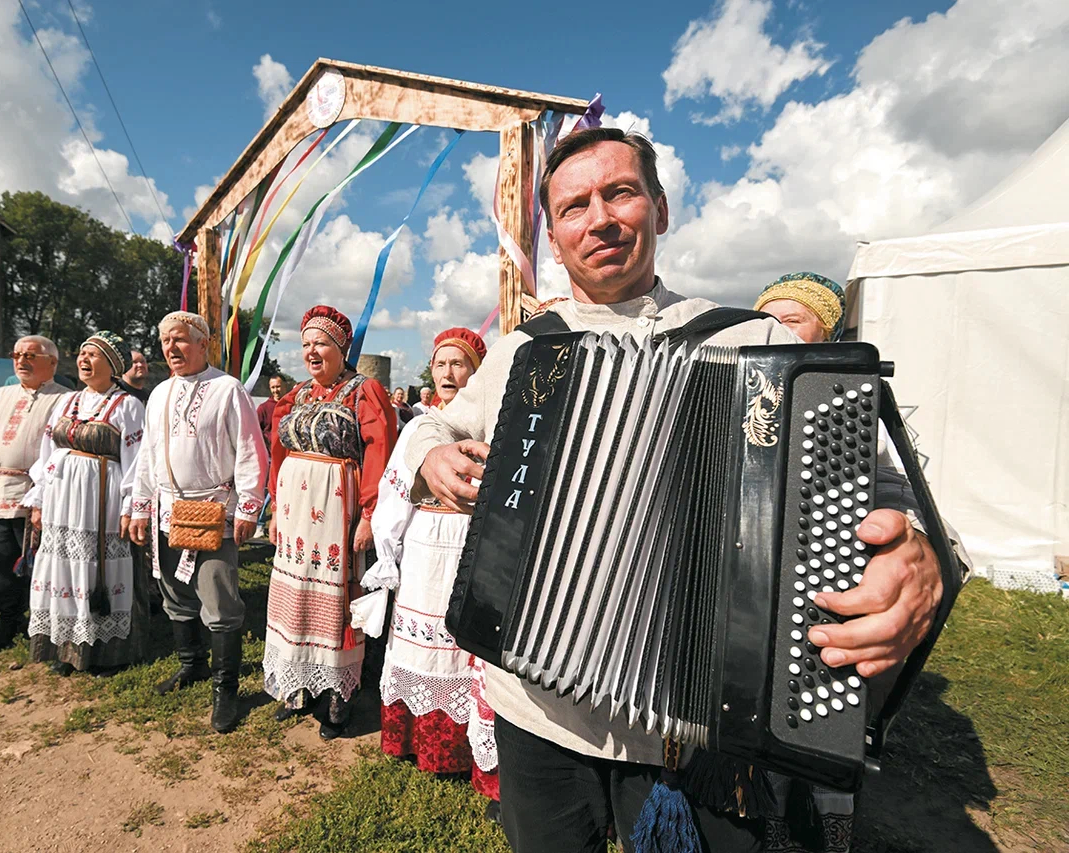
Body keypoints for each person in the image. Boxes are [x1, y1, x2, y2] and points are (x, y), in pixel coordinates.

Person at [404, 127, 967, 852]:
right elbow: (433, 428)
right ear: (553, 234)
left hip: (694, 732)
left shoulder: (756, 346)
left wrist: (919, 549)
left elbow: (893, 486)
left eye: (621, 192)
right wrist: (430, 457)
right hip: (533, 706)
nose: (599, 217)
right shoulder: (524, 351)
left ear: (660, 210)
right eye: (574, 206)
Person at [754, 272, 973, 853]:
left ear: (825, 332)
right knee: (762, 720)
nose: (774, 330)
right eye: (765, 320)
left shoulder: (848, 405)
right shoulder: (744, 399)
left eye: (790, 320)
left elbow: (907, 496)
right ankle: (772, 821)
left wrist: (924, 544)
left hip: (830, 593)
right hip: (755, 597)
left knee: (829, 723)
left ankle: (835, 825)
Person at [366, 327, 500, 816]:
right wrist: (388, 551)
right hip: (425, 542)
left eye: (458, 364)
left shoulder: (490, 424)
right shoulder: (418, 428)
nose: (447, 373)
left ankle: (477, 753)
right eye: (440, 364)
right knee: (423, 648)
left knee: (467, 649)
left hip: (469, 543)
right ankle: (421, 742)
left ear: (475, 373)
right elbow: (394, 491)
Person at [129, 311, 266, 733]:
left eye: (181, 339)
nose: (171, 348)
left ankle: (225, 690)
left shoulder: (228, 389)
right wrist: (140, 505)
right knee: (174, 592)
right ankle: (192, 665)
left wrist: (247, 506)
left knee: (219, 599)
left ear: (203, 344)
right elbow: (149, 456)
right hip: (167, 509)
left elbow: (249, 449)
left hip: (213, 509)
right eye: (166, 340)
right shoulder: (158, 394)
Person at [264, 305, 396, 740]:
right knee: (295, 593)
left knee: (338, 601)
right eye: (305, 344)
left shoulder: (364, 391)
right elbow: (279, 453)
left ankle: (339, 695)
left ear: (341, 348)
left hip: (336, 512)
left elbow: (380, 452)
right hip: (295, 514)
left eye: (320, 343)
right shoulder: (297, 395)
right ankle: (299, 684)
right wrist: (274, 508)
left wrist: (370, 514)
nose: (311, 352)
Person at [24, 331, 146, 676]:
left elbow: (137, 460)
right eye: (81, 353)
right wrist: (39, 500)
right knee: (64, 566)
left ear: (113, 365)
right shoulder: (65, 402)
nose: (84, 360)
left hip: (101, 500)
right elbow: (47, 454)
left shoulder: (128, 406)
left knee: (98, 568)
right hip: (63, 499)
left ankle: (105, 653)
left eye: (94, 355)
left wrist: (129, 507)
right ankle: (66, 648)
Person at [0, 335, 65, 655]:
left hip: (36, 495)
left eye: (31, 355)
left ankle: (43, 626)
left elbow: (63, 452)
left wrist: (44, 494)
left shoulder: (65, 399)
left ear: (52, 363)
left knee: (39, 566)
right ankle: (8, 623)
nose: (22, 360)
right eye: (17, 354)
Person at [257, 375, 286, 453]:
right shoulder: (263, 408)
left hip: (287, 452)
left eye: (278, 386)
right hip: (270, 453)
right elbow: (256, 431)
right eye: (273, 387)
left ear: (285, 386)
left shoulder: (292, 406)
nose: (275, 390)